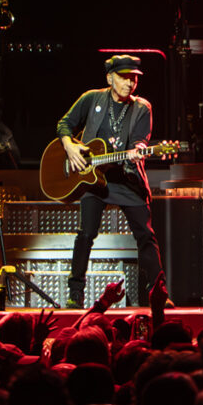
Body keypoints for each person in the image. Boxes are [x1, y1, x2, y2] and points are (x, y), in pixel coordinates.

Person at [54, 54, 165, 307]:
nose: (130, 83)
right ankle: (75, 294)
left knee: (146, 235)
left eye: (134, 78)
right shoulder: (92, 98)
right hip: (94, 179)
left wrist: (137, 150)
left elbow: (140, 140)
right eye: (124, 77)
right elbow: (64, 124)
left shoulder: (141, 108)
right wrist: (70, 146)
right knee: (86, 234)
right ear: (109, 78)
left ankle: (159, 293)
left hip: (125, 179)